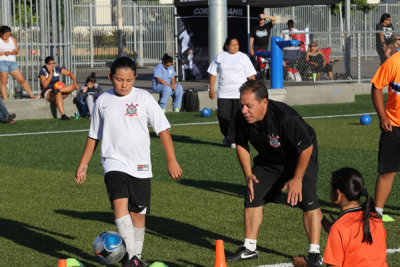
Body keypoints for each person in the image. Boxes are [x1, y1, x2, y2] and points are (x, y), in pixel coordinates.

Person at [74, 56, 182, 267]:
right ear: (110, 77)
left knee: (138, 216)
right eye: (119, 80)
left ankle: (135, 259)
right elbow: (94, 135)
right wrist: (84, 162)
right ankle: (130, 259)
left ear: (135, 78)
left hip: (140, 165)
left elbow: (163, 130)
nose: (124, 85)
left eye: (129, 80)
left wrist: (172, 160)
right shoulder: (102, 101)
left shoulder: (144, 98)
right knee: (119, 206)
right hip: (113, 162)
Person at [227, 80, 322, 266]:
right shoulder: (242, 118)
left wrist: (297, 178)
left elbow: (307, 147)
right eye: (242, 105)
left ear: (264, 102)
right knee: (252, 190)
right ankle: (249, 248)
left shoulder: (286, 117)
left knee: (309, 201)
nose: (244, 110)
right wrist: (248, 174)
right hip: (270, 159)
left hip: (301, 157)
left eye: (249, 106)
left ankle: (314, 253)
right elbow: (241, 144)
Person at [207, 36, 256, 149]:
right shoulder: (220, 57)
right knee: (222, 116)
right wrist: (211, 87)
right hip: (224, 93)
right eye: (233, 45)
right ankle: (227, 135)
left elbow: (251, 75)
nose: (235, 47)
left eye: (237, 44)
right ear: (227, 46)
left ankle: (233, 140)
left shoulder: (243, 57)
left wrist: (252, 90)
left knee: (237, 117)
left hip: (240, 94)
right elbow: (213, 72)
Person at [371, 51, 400, 221]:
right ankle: (377, 212)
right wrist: (382, 117)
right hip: (394, 126)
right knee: (388, 171)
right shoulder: (394, 62)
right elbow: (376, 86)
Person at [0, 25, 38, 100]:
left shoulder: (12, 39)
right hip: (2, 62)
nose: (7, 37)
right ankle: (5, 99)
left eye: (9, 35)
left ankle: (31, 95)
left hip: (12, 62)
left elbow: (17, 50)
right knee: (4, 82)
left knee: (21, 79)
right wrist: (5, 53)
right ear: (1, 33)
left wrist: (15, 51)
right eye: (5, 35)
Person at [39, 56, 78, 120]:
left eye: (53, 63)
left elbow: (70, 73)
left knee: (73, 86)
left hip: (58, 90)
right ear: (46, 65)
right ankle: (63, 115)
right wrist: (51, 73)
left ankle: (58, 90)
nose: (52, 65)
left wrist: (75, 82)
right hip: (48, 92)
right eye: (50, 64)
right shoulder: (43, 72)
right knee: (58, 93)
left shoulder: (56, 69)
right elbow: (45, 85)